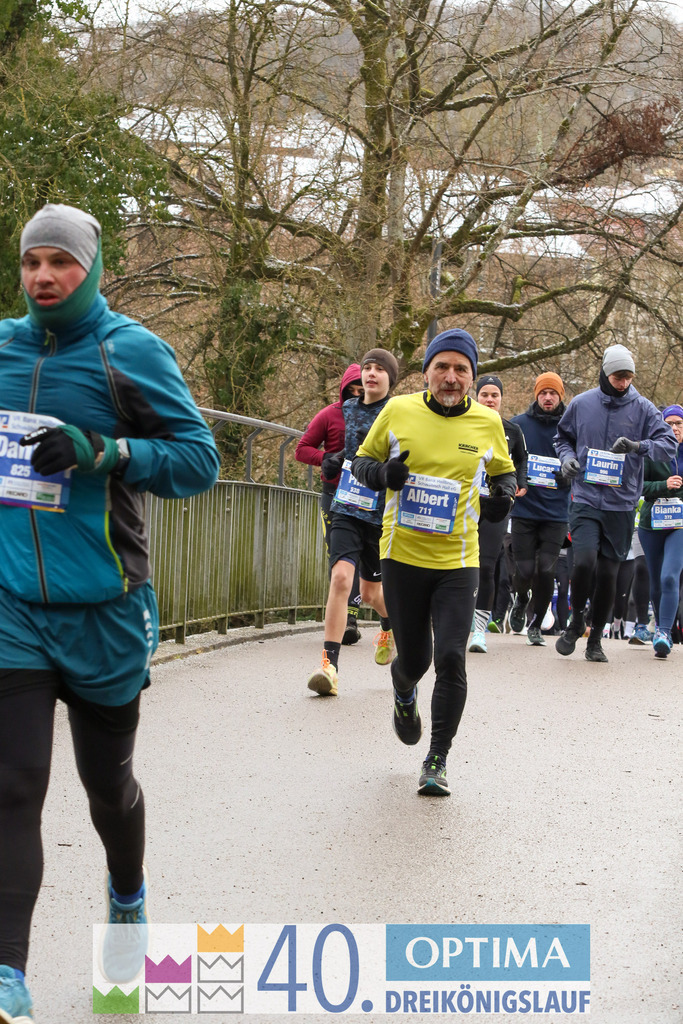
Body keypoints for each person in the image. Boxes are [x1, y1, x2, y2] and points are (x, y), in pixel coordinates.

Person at [0, 203, 220, 1021]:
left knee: (107, 789)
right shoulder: (3, 347)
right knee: (14, 785)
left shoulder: (128, 350)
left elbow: (200, 460)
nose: (44, 277)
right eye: (31, 263)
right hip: (13, 604)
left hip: (107, 608)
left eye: (60, 262)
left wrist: (108, 452)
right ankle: (8, 975)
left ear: (90, 270)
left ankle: (127, 896)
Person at [352, 330, 516, 795]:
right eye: (442, 367)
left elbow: (503, 471)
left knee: (450, 656)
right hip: (402, 554)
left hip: (459, 558)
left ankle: (436, 760)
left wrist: (503, 495)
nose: (451, 377)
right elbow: (361, 462)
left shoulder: (487, 422)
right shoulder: (400, 410)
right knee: (417, 660)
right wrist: (384, 474)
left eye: (460, 369)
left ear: (471, 377)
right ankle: (403, 688)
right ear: (426, 371)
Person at [553, 344, 676, 662]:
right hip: (585, 498)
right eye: (618, 376)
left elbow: (668, 445)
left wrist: (638, 446)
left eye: (628, 377)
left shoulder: (644, 409)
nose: (623, 383)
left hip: (621, 504)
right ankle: (576, 619)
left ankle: (595, 639)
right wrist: (566, 459)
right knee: (583, 562)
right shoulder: (582, 404)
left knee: (608, 574)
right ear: (605, 373)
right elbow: (563, 437)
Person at [307, 349, 399, 697]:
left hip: (380, 514)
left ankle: (389, 624)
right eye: (367, 369)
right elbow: (330, 451)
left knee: (371, 593)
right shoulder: (344, 410)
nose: (371, 374)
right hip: (346, 506)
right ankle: (328, 667)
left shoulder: (399, 413)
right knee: (341, 578)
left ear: (391, 379)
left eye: (379, 370)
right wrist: (329, 463)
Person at [295, 365, 364, 644]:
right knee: (339, 555)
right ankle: (348, 620)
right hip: (334, 492)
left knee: (364, 557)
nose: (357, 395)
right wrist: (325, 458)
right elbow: (302, 449)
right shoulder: (328, 414)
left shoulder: (384, 416)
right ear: (343, 390)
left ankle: (359, 613)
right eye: (352, 391)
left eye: (362, 391)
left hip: (369, 494)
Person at [507, 372, 571, 646]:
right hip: (525, 508)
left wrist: (569, 475)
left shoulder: (571, 427)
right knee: (523, 570)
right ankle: (522, 599)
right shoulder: (519, 425)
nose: (548, 397)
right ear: (536, 395)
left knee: (546, 570)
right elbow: (505, 460)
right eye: (543, 393)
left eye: (553, 393)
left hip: (556, 512)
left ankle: (536, 623)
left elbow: (580, 463)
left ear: (560, 396)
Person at [469, 375, 527, 653]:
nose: (490, 400)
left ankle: (479, 630)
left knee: (486, 564)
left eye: (495, 395)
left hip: (495, 505)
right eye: (484, 395)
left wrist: (519, 484)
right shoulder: (464, 422)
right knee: (455, 562)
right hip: (464, 504)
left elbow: (521, 461)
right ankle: (451, 618)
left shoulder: (512, 430)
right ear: (476, 396)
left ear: (501, 399)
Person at [637, 404, 683, 658]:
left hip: (680, 523)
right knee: (656, 580)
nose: (674, 428)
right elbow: (637, 486)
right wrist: (663, 485)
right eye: (669, 424)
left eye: (678, 423)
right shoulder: (651, 451)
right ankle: (659, 629)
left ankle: (664, 631)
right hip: (652, 523)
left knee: (669, 576)